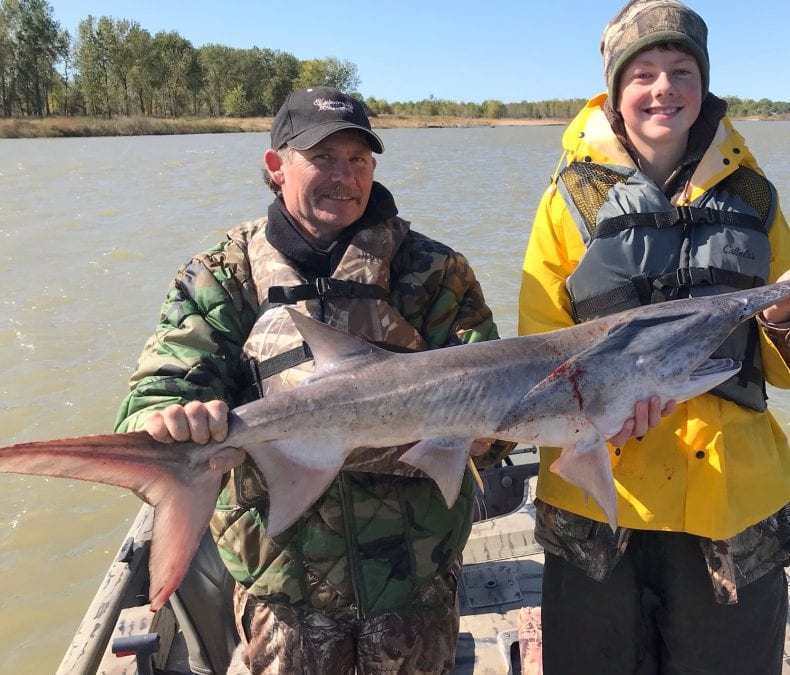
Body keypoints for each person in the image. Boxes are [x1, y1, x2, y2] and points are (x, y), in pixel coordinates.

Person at [114, 85, 662, 675]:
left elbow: (509, 404)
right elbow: (160, 386)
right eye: (322, 157)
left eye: (359, 160)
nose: (344, 176)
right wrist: (166, 416)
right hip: (284, 583)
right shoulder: (223, 274)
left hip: (415, 578)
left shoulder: (433, 269)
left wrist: (501, 432)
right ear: (276, 166)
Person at [517, 1, 790, 673]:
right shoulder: (568, 200)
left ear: (703, 85)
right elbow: (537, 358)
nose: (663, 88)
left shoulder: (755, 197)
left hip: (731, 503)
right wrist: (603, 412)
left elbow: (788, 371)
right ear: (616, 90)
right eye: (642, 72)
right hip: (599, 504)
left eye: (681, 70)